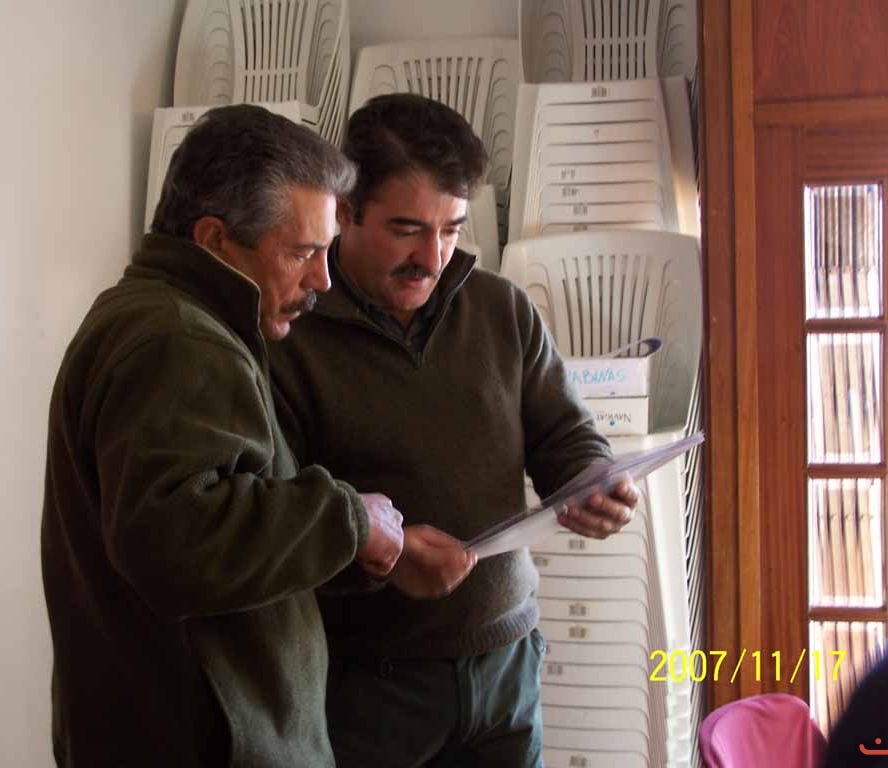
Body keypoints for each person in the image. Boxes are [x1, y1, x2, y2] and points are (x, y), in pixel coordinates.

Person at [267, 92, 641, 767]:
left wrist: (592, 479)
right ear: (344, 210)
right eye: (407, 229)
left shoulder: (501, 309)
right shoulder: (291, 335)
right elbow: (276, 518)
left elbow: (566, 437)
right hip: (365, 684)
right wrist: (382, 556)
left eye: (451, 229)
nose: (432, 256)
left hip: (507, 664)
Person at [40, 104, 405, 768]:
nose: (322, 280)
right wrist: (350, 519)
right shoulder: (178, 339)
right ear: (214, 240)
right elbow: (177, 542)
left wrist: (349, 547)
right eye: (302, 252)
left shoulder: (156, 316)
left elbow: (212, 533)